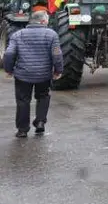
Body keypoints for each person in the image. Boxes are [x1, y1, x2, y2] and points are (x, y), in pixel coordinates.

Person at [3, 10, 63, 138]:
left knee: (23, 101)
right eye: (46, 20)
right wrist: (58, 71)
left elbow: (9, 53)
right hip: (44, 75)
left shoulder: (17, 35)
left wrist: (8, 69)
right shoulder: (51, 35)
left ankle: (22, 130)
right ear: (43, 21)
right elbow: (57, 55)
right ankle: (40, 122)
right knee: (43, 97)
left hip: (22, 75)